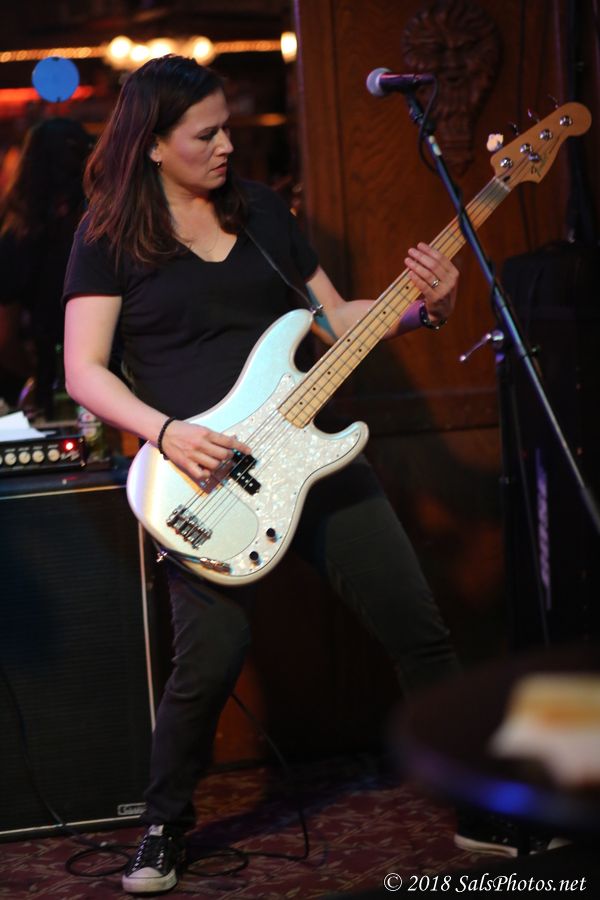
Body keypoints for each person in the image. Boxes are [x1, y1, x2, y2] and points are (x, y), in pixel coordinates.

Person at [62, 55, 461, 896]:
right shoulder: (108, 236)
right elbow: (84, 370)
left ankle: (487, 798)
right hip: (205, 482)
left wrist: (424, 306)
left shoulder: (263, 212)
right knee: (209, 661)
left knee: (417, 623)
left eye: (228, 130)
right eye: (205, 135)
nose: (226, 147)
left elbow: (334, 321)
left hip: (308, 456)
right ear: (152, 145)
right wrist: (165, 432)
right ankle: (164, 827)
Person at [0, 117, 92, 418]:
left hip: (54, 389)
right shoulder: (109, 228)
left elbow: (4, 339)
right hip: (119, 384)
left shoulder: (18, 236)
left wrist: (39, 376)